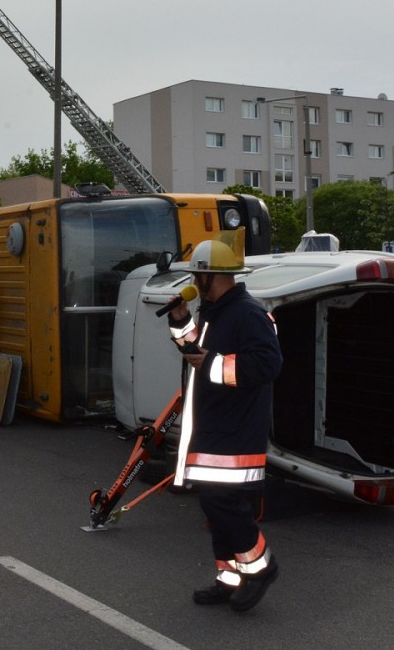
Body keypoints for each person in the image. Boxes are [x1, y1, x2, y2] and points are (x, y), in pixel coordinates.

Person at [166, 230, 282, 612]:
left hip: (236, 435)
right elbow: (198, 352)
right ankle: (229, 579)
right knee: (215, 509)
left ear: (211, 276)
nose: (192, 284)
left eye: (196, 276)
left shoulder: (248, 313)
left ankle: (260, 568)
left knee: (225, 506)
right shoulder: (215, 312)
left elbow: (268, 364)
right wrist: (181, 324)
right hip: (215, 429)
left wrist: (214, 364)